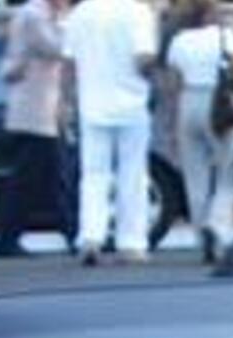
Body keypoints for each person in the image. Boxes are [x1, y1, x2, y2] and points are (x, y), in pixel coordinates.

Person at [65, 0, 163, 261]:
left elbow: (69, 64)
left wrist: (66, 100)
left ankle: (90, 236)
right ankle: (131, 242)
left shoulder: (80, 13)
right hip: (131, 103)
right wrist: (155, 72)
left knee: (93, 174)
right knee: (132, 173)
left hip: (91, 102)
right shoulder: (137, 11)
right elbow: (143, 57)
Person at [164, 0, 233, 261]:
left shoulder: (179, 41)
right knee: (228, 172)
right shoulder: (224, 37)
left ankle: (202, 236)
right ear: (212, 13)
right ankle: (217, 226)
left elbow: (174, 84)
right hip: (219, 105)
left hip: (189, 102)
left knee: (195, 176)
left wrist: (173, 124)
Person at [0, 0, 73, 257]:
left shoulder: (44, 15)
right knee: (29, 179)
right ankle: (8, 238)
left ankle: (71, 231)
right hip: (33, 111)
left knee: (54, 176)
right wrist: (66, 22)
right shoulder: (33, 15)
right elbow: (55, 48)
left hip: (45, 110)